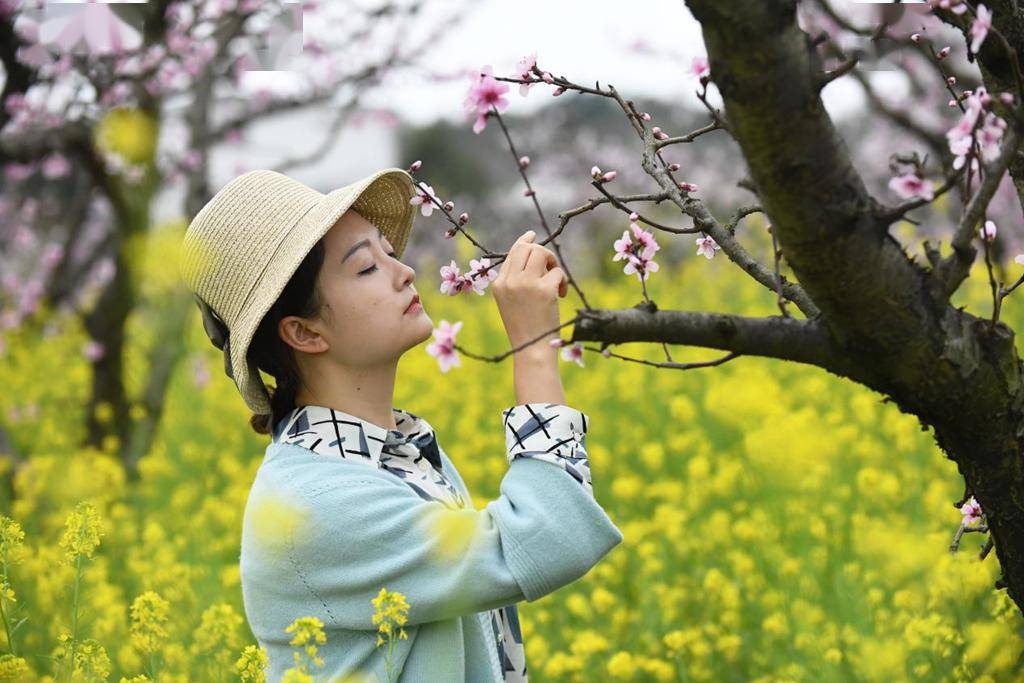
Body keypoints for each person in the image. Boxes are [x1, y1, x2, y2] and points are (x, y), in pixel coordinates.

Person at [179, 167, 623, 682]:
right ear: (303, 332)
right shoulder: (318, 504)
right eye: (366, 267)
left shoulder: (390, 452)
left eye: (388, 251)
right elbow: (549, 539)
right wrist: (533, 347)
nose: (404, 271)